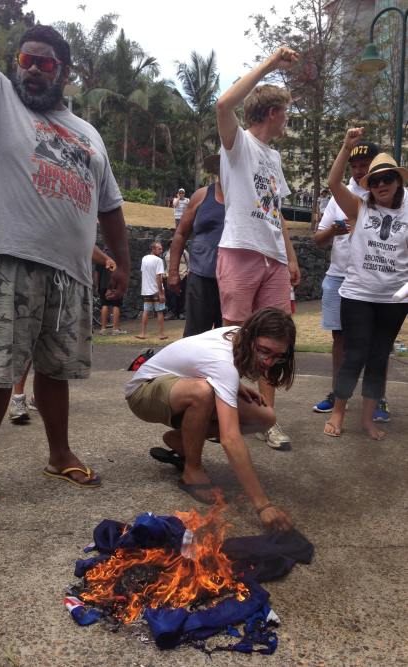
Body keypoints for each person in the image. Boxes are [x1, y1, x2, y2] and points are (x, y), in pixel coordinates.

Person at [0, 3, 130, 514]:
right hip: (5, 257)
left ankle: (59, 452)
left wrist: (123, 264)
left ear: (63, 73)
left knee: (56, 370)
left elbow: (110, 207)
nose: (32, 68)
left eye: (45, 63)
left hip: (71, 272)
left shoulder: (89, 135)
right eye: (27, 59)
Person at [125, 307, 295, 531]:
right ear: (250, 335)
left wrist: (236, 386)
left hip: (176, 384)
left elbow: (198, 363)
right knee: (202, 393)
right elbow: (230, 438)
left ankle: (181, 440)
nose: (268, 362)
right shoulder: (223, 362)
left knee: (265, 417)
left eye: (277, 356)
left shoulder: (239, 335)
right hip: (143, 392)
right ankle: (191, 471)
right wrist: (263, 505)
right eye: (264, 351)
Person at [215, 46, 301, 451]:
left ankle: (268, 420)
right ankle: (226, 417)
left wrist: (291, 256)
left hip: (274, 257)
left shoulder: (274, 157)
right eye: (285, 112)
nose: (287, 119)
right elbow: (224, 102)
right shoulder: (238, 145)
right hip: (241, 249)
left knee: (274, 341)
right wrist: (270, 64)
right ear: (272, 113)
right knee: (233, 337)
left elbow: (277, 212)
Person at [324, 129, 408, 440]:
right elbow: (333, 184)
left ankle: (368, 419)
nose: (381, 184)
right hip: (358, 294)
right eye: (374, 181)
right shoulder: (359, 206)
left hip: (394, 298)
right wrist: (346, 147)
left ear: (398, 180)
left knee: (378, 355)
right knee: (355, 353)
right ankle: (338, 411)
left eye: (387, 178)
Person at [313, 140, 391, 422]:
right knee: (340, 339)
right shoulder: (339, 197)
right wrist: (334, 230)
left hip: (372, 279)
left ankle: (377, 398)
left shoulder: (385, 194)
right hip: (338, 276)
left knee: (376, 342)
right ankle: (337, 392)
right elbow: (318, 239)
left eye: (364, 166)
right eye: (355, 166)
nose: (359, 171)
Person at [9, 247, 123, 424]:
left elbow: (78, 236)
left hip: (63, 282)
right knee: (27, 341)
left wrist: (105, 259)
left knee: (53, 346)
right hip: (32, 274)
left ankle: (38, 398)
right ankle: (18, 398)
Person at [168, 154, 225, 336]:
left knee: (230, 338)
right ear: (216, 169)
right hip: (201, 277)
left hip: (234, 279)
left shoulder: (246, 198)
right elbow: (181, 234)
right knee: (195, 336)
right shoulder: (201, 196)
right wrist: (173, 272)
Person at [136, 241, 167, 340]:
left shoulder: (144, 258)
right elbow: (159, 276)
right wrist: (161, 292)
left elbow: (143, 273)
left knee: (146, 310)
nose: (161, 250)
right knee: (159, 311)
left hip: (146, 289)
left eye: (161, 249)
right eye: (159, 249)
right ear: (153, 249)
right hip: (156, 290)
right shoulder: (158, 260)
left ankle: (143, 333)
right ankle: (161, 334)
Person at [94, 247, 127, 336]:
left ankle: (103, 329)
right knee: (116, 305)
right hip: (115, 284)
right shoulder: (118, 255)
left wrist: (97, 286)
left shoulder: (101, 256)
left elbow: (96, 273)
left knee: (104, 304)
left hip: (102, 284)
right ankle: (115, 329)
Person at [163, 246, 189, 320]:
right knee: (171, 295)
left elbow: (189, 262)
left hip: (182, 275)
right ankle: (172, 312)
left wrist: (188, 271)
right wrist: (164, 273)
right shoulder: (166, 253)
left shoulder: (184, 252)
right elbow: (164, 265)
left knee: (182, 295)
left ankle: (182, 312)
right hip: (169, 277)